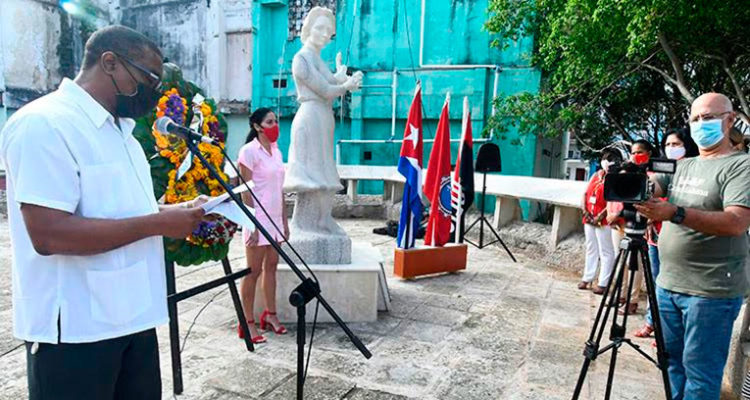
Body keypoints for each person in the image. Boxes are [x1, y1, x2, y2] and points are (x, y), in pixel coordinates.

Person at [0, 25, 206, 400]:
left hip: (133, 318)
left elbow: (119, 211)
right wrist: (159, 222)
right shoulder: (44, 124)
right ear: (109, 63)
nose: (154, 91)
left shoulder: (122, 132)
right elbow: (50, 234)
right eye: (148, 77)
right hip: (75, 333)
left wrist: (173, 213)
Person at [635, 93, 750, 400]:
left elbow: (736, 222)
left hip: (710, 291)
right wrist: (636, 185)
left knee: (700, 374)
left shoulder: (741, 166)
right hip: (668, 285)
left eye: (709, 117)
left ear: (730, 119)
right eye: (695, 119)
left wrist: (675, 213)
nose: (701, 124)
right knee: (671, 364)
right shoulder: (682, 165)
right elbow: (655, 186)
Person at [634, 128, 698, 339]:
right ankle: (653, 323)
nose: (671, 149)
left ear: (687, 145)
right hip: (655, 237)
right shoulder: (662, 171)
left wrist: (664, 212)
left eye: (676, 144)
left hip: (682, 239)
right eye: (668, 145)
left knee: (677, 287)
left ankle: (670, 331)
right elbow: (653, 191)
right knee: (656, 282)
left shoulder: (695, 171)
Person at [236, 107, 289, 344]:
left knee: (272, 267)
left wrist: (285, 221)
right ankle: (246, 322)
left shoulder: (276, 150)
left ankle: (271, 314)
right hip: (257, 219)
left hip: (276, 219)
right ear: (258, 126)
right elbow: (244, 190)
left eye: (275, 121)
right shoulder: (248, 152)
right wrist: (252, 224)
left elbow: (280, 188)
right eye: (270, 122)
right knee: (253, 271)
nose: (274, 125)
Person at [578, 149, 618, 294]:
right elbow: (585, 193)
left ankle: (603, 282)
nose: (607, 162)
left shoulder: (614, 178)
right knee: (591, 248)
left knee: (606, 250)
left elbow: (612, 201)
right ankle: (587, 277)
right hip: (589, 217)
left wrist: (600, 216)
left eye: (611, 159)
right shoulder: (596, 175)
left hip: (604, 220)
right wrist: (585, 211)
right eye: (606, 159)